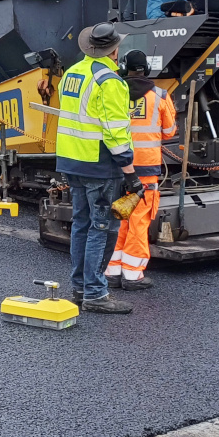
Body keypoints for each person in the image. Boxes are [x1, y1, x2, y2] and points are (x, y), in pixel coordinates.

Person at [55, 22, 140, 315]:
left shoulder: (72, 74)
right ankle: (95, 293)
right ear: (114, 50)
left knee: (81, 224)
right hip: (100, 165)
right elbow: (115, 132)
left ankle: (79, 288)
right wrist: (131, 173)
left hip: (71, 161)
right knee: (103, 227)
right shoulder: (110, 82)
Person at [106, 50, 177, 290]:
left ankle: (113, 272)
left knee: (119, 217)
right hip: (146, 168)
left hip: (117, 166)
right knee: (138, 220)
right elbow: (169, 132)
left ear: (124, 69)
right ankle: (133, 275)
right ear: (145, 69)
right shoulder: (159, 96)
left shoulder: (114, 92)